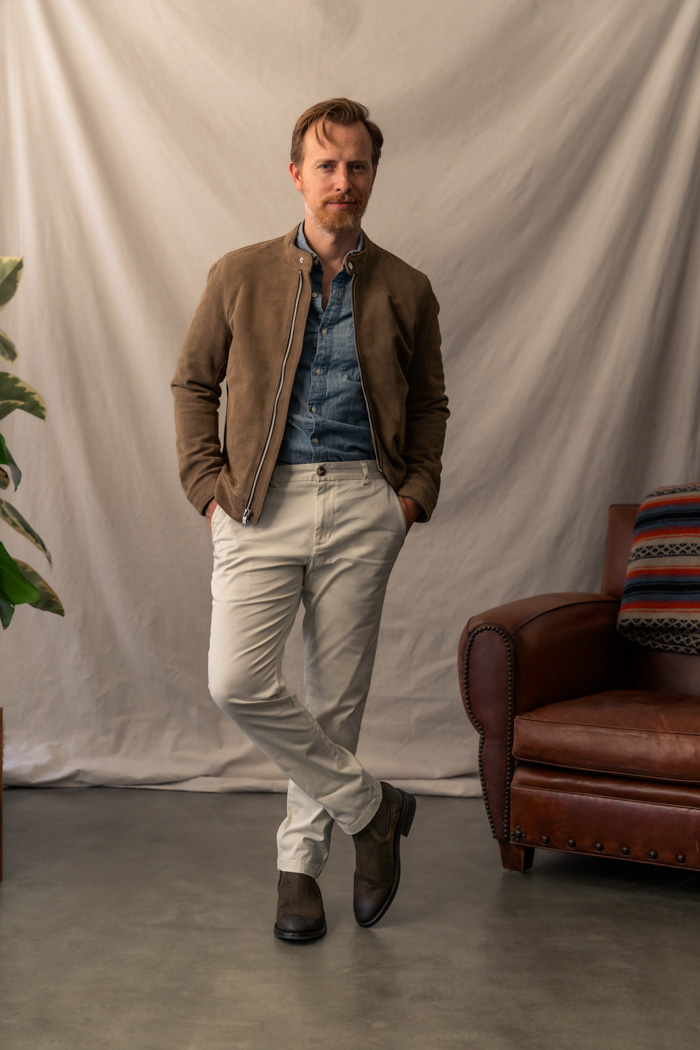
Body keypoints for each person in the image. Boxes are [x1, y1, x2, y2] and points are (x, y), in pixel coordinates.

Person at [172, 98, 448, 942]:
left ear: (372, 175)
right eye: (327, 166)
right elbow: (193, 384)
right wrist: (207, 486)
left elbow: (432, 400)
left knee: (336, 698)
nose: (343, 181)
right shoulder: (239, 274)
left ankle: (300, 868)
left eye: (358, 166)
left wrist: (411, 498)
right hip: (259, 500)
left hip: (367, 499)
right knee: (236, 680)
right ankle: (372, 811)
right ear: (296, 174)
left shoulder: (406, 287)